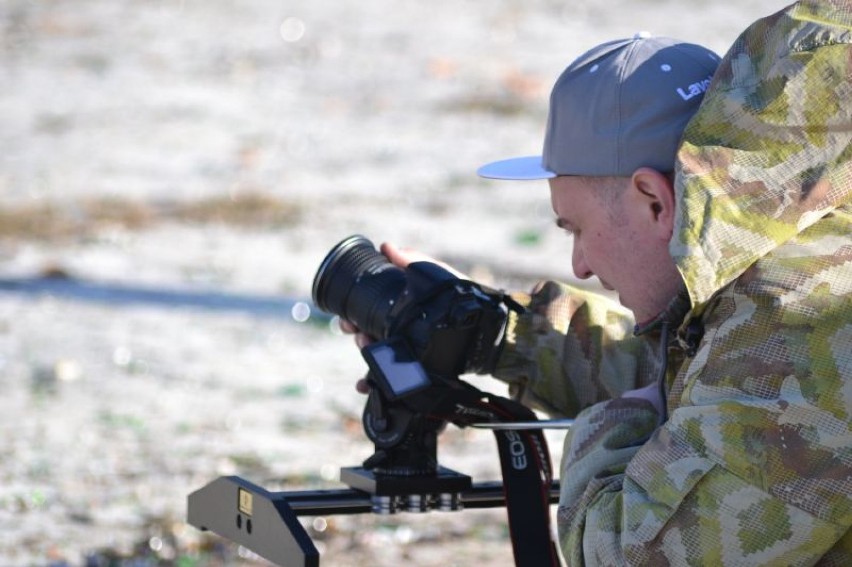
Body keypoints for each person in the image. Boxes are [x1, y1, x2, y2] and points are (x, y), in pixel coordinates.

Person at [345, 1, 852, 564]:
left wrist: (608, 431)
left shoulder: (799, 329)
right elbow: (711, 393)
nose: (580, 264)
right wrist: (498, 333)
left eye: (577, 227)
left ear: (655, 201)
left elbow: (628, 555)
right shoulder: (805, 243)